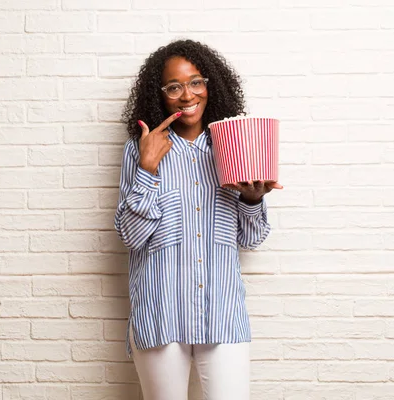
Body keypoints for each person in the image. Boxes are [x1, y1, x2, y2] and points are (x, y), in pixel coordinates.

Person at [114, 39, 283, 400]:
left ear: (210, 85)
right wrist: (146, 169)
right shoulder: (140, 149)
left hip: (221, 313)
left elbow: (251, 239)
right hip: (160, 313)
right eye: (173, 86)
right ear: (159, 95)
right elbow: (130, 236)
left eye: (195, 82)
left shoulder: (236, 145)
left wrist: (252, 199)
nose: (187, 95)